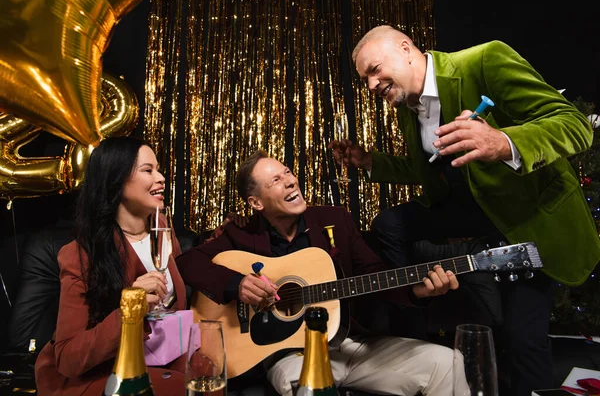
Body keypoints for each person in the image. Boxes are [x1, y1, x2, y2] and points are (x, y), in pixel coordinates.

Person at [329, 25, 600, 395]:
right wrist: (369, 162)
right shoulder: (409, 106)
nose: (372, 84)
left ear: (406, 49)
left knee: (522, 336)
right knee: (390, 225)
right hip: (471, 208)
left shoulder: (485, 60)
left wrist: (504, 142)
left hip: (524, 216)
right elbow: (424, 168)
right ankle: (413, 327)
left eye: (375, 69)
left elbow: (575, 125)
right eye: (365, 80)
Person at [177, 149, 459, 396]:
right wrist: (236, 284)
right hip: (290, 356)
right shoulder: (240, 233)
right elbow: (187, 262)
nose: (290, 180)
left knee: (447, 364)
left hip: (352, 345)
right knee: (308, 386)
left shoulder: (335, 219)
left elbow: (375, 273)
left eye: (287, 172)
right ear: (256, 203)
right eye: (276, 180)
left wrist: (416, 291)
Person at [34, 137, 188, 395]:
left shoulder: (163, 229)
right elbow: (68, 357)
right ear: (116, 180)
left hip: (160, 356)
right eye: (148, 170)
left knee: (210, 378)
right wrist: (131, 308)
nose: (161, 177)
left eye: (158, 169)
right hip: (104, 370)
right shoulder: (80, 255)